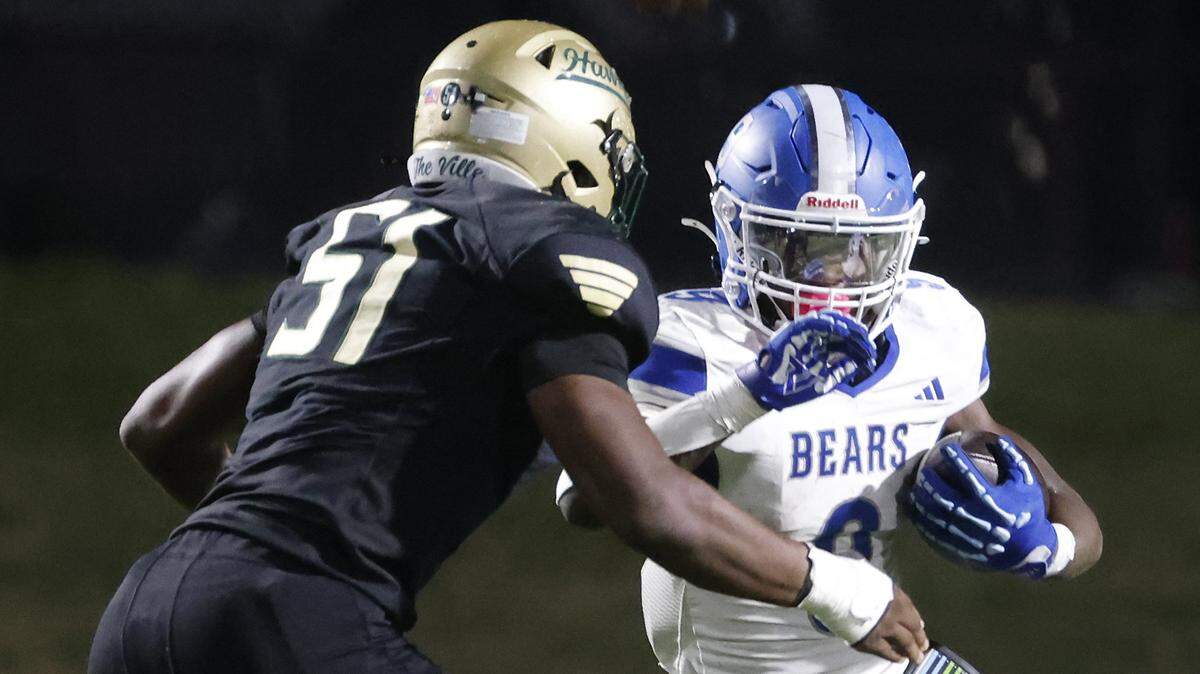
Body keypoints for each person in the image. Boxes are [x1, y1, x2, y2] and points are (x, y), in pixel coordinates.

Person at [88, 26, 928, 674]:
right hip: (294, 620)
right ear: (576, 146)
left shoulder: (356, 241)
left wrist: (243, 558)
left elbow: (157, 425)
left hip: (143, 609)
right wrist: (841, 589)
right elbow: (646, 503)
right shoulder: (541, 255)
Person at [556, 84, 1103, 673]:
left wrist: (1051, 546)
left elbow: (1049, 494)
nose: (829, 278)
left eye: (856, 250)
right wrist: (745, 397)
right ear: (735, 230)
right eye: (798, 247)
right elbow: (592, 495)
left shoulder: (933, 323)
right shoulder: (689, 341)